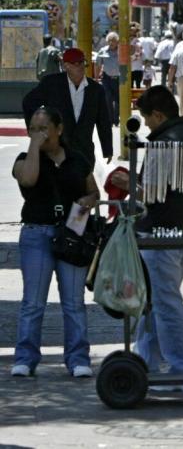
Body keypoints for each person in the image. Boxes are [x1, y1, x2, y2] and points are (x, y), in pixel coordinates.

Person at [123, 86, 183, 378]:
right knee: (155, 302)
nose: (146, 124)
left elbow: (151, 195)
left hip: (162, 236)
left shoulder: (163, 143)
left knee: (165, 303)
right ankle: (146, 362)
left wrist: (128, 186)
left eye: (147, 118)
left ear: (159, 114)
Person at [11, 106, 100, 378]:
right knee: (33, 301)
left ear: (58, 130)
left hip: (71, 235)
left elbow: (93, 190)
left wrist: (88, 201)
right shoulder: (24, 159)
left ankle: (77, 358)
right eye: (33, 129)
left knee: (73, 301)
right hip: (37, 232)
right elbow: (28, 179)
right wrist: (35, 146)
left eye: (43, 128)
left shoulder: (77, 159)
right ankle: (26, 357)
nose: (38, 134)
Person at [22, 48, 114, 167]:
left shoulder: (96, 90)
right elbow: (28, 102)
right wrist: (35, 130)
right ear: (66, 66)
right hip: (56, 152)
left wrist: (107, 150)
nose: (80, 67)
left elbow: (103, 121)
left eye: (82, 63)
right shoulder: (51, 84)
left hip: (84, 153)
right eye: (76, 64)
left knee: (83, 184)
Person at [94, 31, 121, 125]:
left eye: (113, 40)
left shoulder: (121, 51)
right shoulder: (103, 50)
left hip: (118, 78)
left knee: (118, 100)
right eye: (109, 40)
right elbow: (97, 65)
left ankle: (116, 119)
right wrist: (96, 78)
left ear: (117, 41)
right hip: (106, 78)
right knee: (107, 98)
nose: (111, 42)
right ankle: (110, 119)